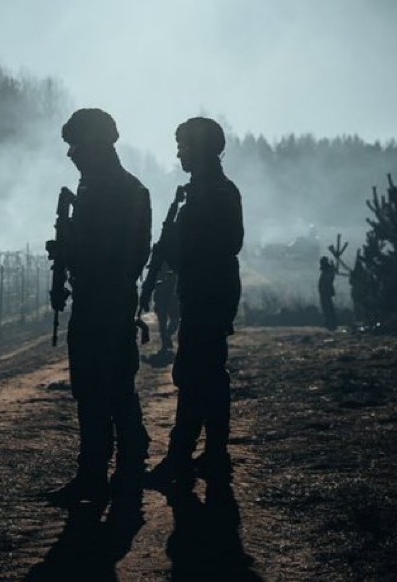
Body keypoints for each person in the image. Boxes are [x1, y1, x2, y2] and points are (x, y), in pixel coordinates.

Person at [53, 108, 152, 504]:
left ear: (94, 146)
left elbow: (126, 256)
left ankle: (110, 471)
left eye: (76, 145)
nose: (71, 154)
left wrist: (74, 253)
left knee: (106, 387)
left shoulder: (121, 191)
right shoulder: (100, 188)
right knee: (97, 388)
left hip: (106, 301)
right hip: (97, 298)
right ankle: (110, 470)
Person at [151, 117, 244, 487]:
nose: (178, 153)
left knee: (197, 373)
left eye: (184, 146)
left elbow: (227, 244)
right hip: (202, 289)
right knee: (200, 373)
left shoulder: (218, 192)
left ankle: (184, 457)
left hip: (210, 291)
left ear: (200, 149)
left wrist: (176, 246)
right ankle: (209, 455)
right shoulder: (202, 190)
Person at [151, 263, 180, 362]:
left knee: (163, 323)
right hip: (171, 299)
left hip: (162, 300)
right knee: (174, 320)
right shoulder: (174, 271)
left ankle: (165, 342)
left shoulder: (157, 271)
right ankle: (167, 337)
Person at [318, 256, 338, 330]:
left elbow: (330, 277)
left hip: (326, 292)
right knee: (326, 308)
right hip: (324, 292)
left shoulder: (328, 270)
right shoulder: (327, 270)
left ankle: (331, 324)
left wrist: (332, 266)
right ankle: (329, 323)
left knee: (328, 308)